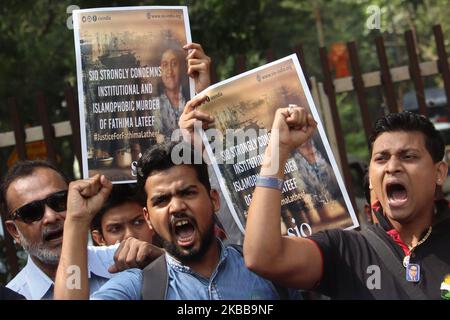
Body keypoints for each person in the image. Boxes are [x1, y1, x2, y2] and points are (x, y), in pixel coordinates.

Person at [244, 108, 450, 299]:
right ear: (370, 178)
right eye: (381, 159)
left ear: (439, 172)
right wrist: (278, 150)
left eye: (408, 156)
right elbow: (262, 256)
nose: (392, 167)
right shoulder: (346, 251)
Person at [54, 142, 296, 300]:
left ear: (214, 200)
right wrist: (76, 221)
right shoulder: (138, 288)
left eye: (188, 193)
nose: (177, 206)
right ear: (148, 218)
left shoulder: (266, 269)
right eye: (161, 200)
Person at [0, 160, 161, 299]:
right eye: (32, 212)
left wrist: (162, 260)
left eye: (59, 201)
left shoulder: (125, 258)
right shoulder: (15, 294)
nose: (50, 217)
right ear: (14, 231)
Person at [156, 42, 211, 138]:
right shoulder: (155, 106)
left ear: (181, 67)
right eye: (165, 65)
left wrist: (204, 91)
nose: (169, 70)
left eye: (174, 64)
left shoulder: (193, 96)